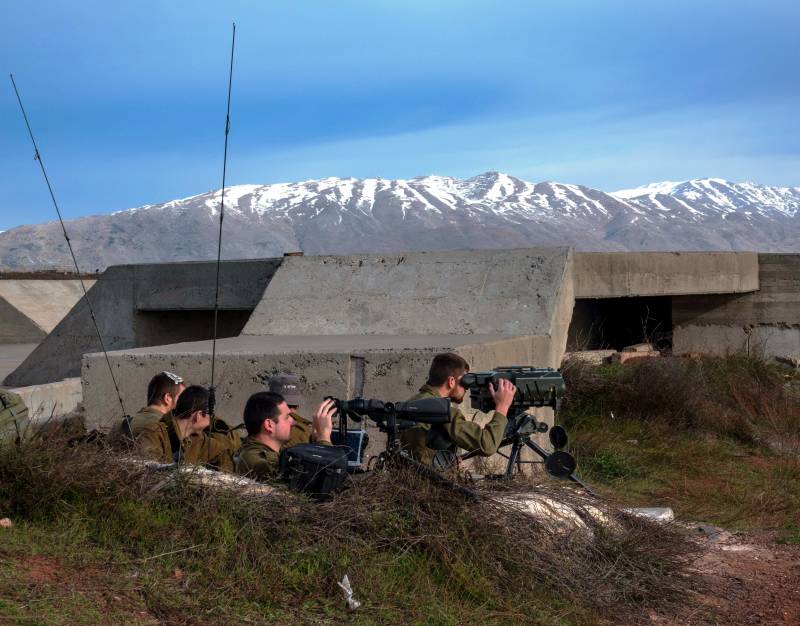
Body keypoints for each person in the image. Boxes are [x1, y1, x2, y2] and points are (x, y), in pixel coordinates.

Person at [399, 352, 516, 466]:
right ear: (451, 382)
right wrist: (502, 406)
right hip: (430, 482)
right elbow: (487, 445)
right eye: (465, 382)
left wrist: (447, 463)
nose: (467, 389)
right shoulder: (444, 412)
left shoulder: (410, 403)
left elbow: (420, 452)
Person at [235, 393, 337, 481]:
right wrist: (324, 438)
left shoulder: (272, 453)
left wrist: (316, 441)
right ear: (269, 425)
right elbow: (315, 481)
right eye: (287, 417)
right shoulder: (257, 460)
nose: (293, 422)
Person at [133, 385, 236, 471]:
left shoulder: (198, 440)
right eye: (210, 417)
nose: (211, 422)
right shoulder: (153, 433)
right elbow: (146, 470)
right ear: (198, 416)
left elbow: (224, 454)